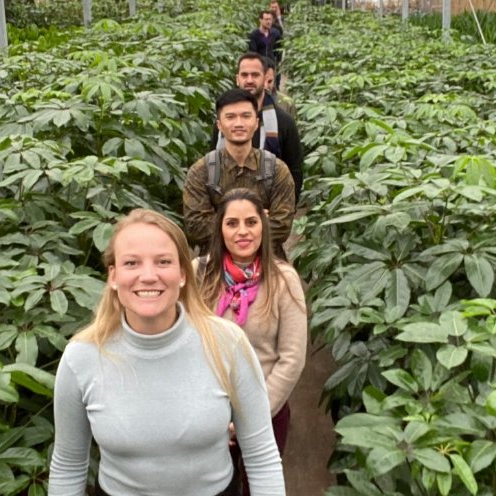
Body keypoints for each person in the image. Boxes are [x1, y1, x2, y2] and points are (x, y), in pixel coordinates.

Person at [49, 209, 285, 496]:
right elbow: (68, 466)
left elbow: (261, 456)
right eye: (132, 263)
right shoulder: (82, 357)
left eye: (163, 262)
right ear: (113, 276)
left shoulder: (227, 343)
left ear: (183, 274)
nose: (148, 276)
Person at [196, 188, 307, 496]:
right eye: (232, 223)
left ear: (263, 225)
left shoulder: (284, 280)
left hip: (266, 410)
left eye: (251, 222)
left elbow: (292, 358)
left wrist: (250, 415)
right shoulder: (199, 274)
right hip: (207, 410)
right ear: (220, 228)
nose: (242, 231)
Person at [185, 88, 295, 256]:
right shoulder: (201, 172)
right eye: (230, 117)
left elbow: (282, 227)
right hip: (215, 267)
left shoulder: (277, 170)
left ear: (256, 123)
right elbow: (196, 228)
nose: (238, 123)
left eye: (246, 116)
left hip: (267, 265)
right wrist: (258, 220)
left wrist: (221, 220)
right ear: (219, 125)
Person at [211, 53, 303, 204]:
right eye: (244, 75)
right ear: (237, 79)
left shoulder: (284, 122)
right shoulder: (224, 122)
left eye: (255, 75)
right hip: (227, 209)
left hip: (270, 210)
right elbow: (212, 163)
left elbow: (295, 171)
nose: (249, 80)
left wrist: (283, 210)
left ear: (265, 78)